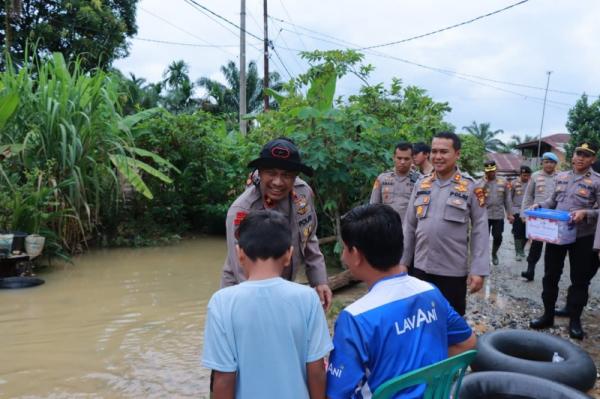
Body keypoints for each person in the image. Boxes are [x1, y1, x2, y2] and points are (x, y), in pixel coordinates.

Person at [326, 204, 476, 399]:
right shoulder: (430, 293)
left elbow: (337, 394)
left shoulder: (354, 319)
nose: (343, 255)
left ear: (356, 255)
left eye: (345, 248)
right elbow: (467, 343)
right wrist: (423, 374)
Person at [203, 210, 333, 398]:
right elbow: (316, 370)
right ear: (289, 254)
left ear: (239, 253)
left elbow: (223, 377)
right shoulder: (308, 299)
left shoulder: (221, 302)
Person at [221, 137, 333, 310]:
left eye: (286, 175)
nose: (278, 182)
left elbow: (309, 238)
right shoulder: (242, 210)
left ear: (295, 177)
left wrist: (319, 280)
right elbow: (241, 267)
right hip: (242, 294)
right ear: (260, 172)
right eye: (271, 173)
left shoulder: (303, 195)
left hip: (283, 284)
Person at [400, 131, 490, 315]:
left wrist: (478, 270)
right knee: (419, 319)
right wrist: (403, 262)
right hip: (420, 269)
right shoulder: (421, 184)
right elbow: (409, 226)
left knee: (451, 325)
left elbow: (480, 229)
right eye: (434, 151)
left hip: (452, 272)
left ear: (457, 154)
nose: (438, 157)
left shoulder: (471, 187)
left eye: (444, 152)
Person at [529, 142, 600, 339]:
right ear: (573, 156)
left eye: (586, 155)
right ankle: (548, 314)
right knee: (550, 275)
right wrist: (539, 205)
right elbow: (552, 201)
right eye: (578, 154)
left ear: (592, 159)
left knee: (580, 279)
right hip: (557, 235)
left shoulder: (597, 181)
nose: (580, 158)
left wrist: (585, 212)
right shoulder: (561, 176)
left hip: (582, 237)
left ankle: (575, 320)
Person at [520, 152, 558, 281]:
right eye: (546, 162)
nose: (549, 164)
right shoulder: (535, 176)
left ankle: (550, 275)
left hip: (554, 216)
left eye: (551, 162)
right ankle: (530, 270)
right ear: (542, 163)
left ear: (555, 164)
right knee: (536, 243)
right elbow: (528, 196)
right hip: (538, 216)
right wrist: (524, 214)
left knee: (553, 246)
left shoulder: (561, 177)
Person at [370, 141, 421, 222]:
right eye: (399, 158)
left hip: (409, 229)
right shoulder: (382, 179)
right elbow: (373, 206)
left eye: (406, 159)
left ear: (412, 159)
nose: (402, 162)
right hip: (386, 228)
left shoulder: (419, 180)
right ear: (394, 157)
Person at [481, 160, 514, 265]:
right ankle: (483, 257)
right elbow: (475, 199)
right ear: (485, 171)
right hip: (484, 215)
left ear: (496, 169)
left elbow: (507, 199)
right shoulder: (480, 182)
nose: (491, 173)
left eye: (493, 171)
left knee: (498, 236)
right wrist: (483, 183)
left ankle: (494, 253)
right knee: (482, 237)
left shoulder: (503, 182)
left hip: (498, 215)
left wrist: (510, 214)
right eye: (488, 171)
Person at [509, 165, 532, 261]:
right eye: (524, 175)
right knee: (518, 232)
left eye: (527, 175)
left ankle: (521, 249)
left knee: (527, 232)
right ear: (520, 174)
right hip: (516, 210)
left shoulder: (532, 183)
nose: (526, 177)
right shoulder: (513, 183)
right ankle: (518, 252)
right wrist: (509, 213)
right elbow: (509, 198)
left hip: (529, 211)